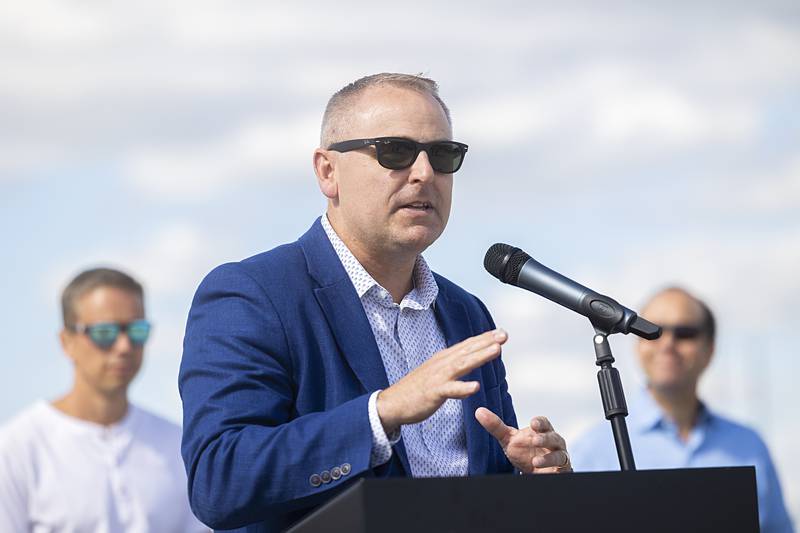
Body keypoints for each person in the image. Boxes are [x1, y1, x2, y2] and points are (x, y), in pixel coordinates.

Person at [179, 73, 572, 532]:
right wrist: (380, 414)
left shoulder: (466, 312)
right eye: (395, 151)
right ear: (328, 171)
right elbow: (219, 480)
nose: (424, 173)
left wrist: (531, 476)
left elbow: (478, 487)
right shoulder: (253, 293)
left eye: (443, 155)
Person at [0, 267, 208, 533]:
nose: (124, 346)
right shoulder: (16, 450)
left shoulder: (177, 446)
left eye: (137, 331)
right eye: (104, 333)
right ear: (67, 342)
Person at [571, 286, 794, 533]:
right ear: (637, 345)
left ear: (709, 350)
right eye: (653, 332)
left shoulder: (750, 445)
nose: (668, 344)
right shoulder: (592, 450)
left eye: (685, 333)